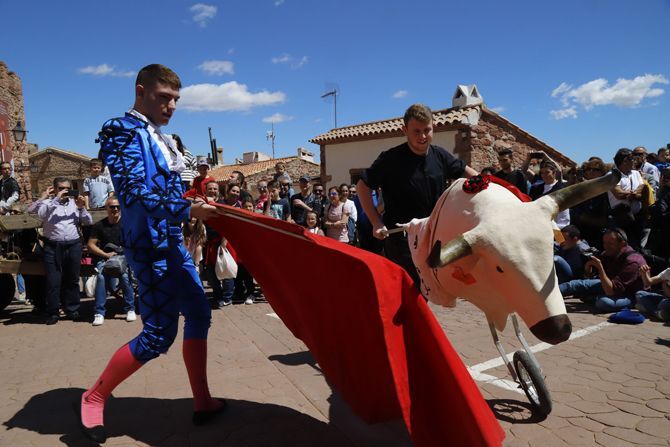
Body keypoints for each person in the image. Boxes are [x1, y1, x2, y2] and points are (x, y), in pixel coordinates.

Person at [81, 64, 225, 443]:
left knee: (199, 312)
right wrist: (187, 209)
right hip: (147, 246)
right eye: (164, 97)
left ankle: (202, 400)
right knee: (159, 334)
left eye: (176, 99)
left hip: (172, 243)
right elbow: (133, 195)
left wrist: (193, 204)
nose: (171, 105)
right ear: (140, 91)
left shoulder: (163, 137)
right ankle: (94, 396)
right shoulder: (121, 130)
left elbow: (167, 190)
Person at [356, 103, 477, 287]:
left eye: (427, 130)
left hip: (435, 237)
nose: (422, 136)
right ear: (405, 130)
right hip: (402, 242)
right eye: (416, 131)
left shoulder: (440, 156)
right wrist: (376, 222)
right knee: (410, 291)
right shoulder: (390, 159)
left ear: (433, 127)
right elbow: (362, 186)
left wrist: (489, 188)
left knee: (437, 288)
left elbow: (473, 176)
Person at [32, 178, 92, 324]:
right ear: (54, 189)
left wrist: (81, 208)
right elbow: (40, 214)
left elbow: (88, 221)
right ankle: (53, 312)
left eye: (68, 188)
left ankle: (72, 310)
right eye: (61, 188)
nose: (65, 191)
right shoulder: (47, 203)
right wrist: (56, 199)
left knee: (72, 279)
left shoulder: (74, 203)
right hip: (53, 246)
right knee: (53, 280)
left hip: (73, 245)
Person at [559, 228, 647, 313]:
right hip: (610, 285)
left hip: (630, 294)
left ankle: (593, 297)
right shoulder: (608, 253)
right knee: (573, 284)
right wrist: (588, 266)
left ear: (622, 244)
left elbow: (611, 291)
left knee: (603, 302)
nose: (606, 246)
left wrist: (600, 268)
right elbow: (590, 277)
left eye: (610, 243)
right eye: (604, 243)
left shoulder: (633, 262)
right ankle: (551, 295)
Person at [87, 197, 136, 326]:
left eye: (117, 207)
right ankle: (99, 312)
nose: (115, 209)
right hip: (105, 259)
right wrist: (105, 254)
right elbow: (91, 245)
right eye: (112, 207)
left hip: (123, 258)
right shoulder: (99, 225)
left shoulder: (127, 224)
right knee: (101, 277)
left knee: (124, 276)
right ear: (106, 208)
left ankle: (130, 309)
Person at [608, 148, 646, 249]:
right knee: (623, 246)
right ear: (625, 161)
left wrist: (633, 194)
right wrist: (634, 194)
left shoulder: (636, 173)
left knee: (637, 245)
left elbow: (641, 187)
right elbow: (618, 193)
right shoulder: (611, 175)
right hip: (621, 217)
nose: (635, 161)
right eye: (633, 159)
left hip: (637, 217)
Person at [529, 160, 570, 228]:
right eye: (542, 173)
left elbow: (563, 220)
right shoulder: (535, 189)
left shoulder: (561, 190)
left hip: (551, 227)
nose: (544, 175)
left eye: (547, 172)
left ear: (554, 172)